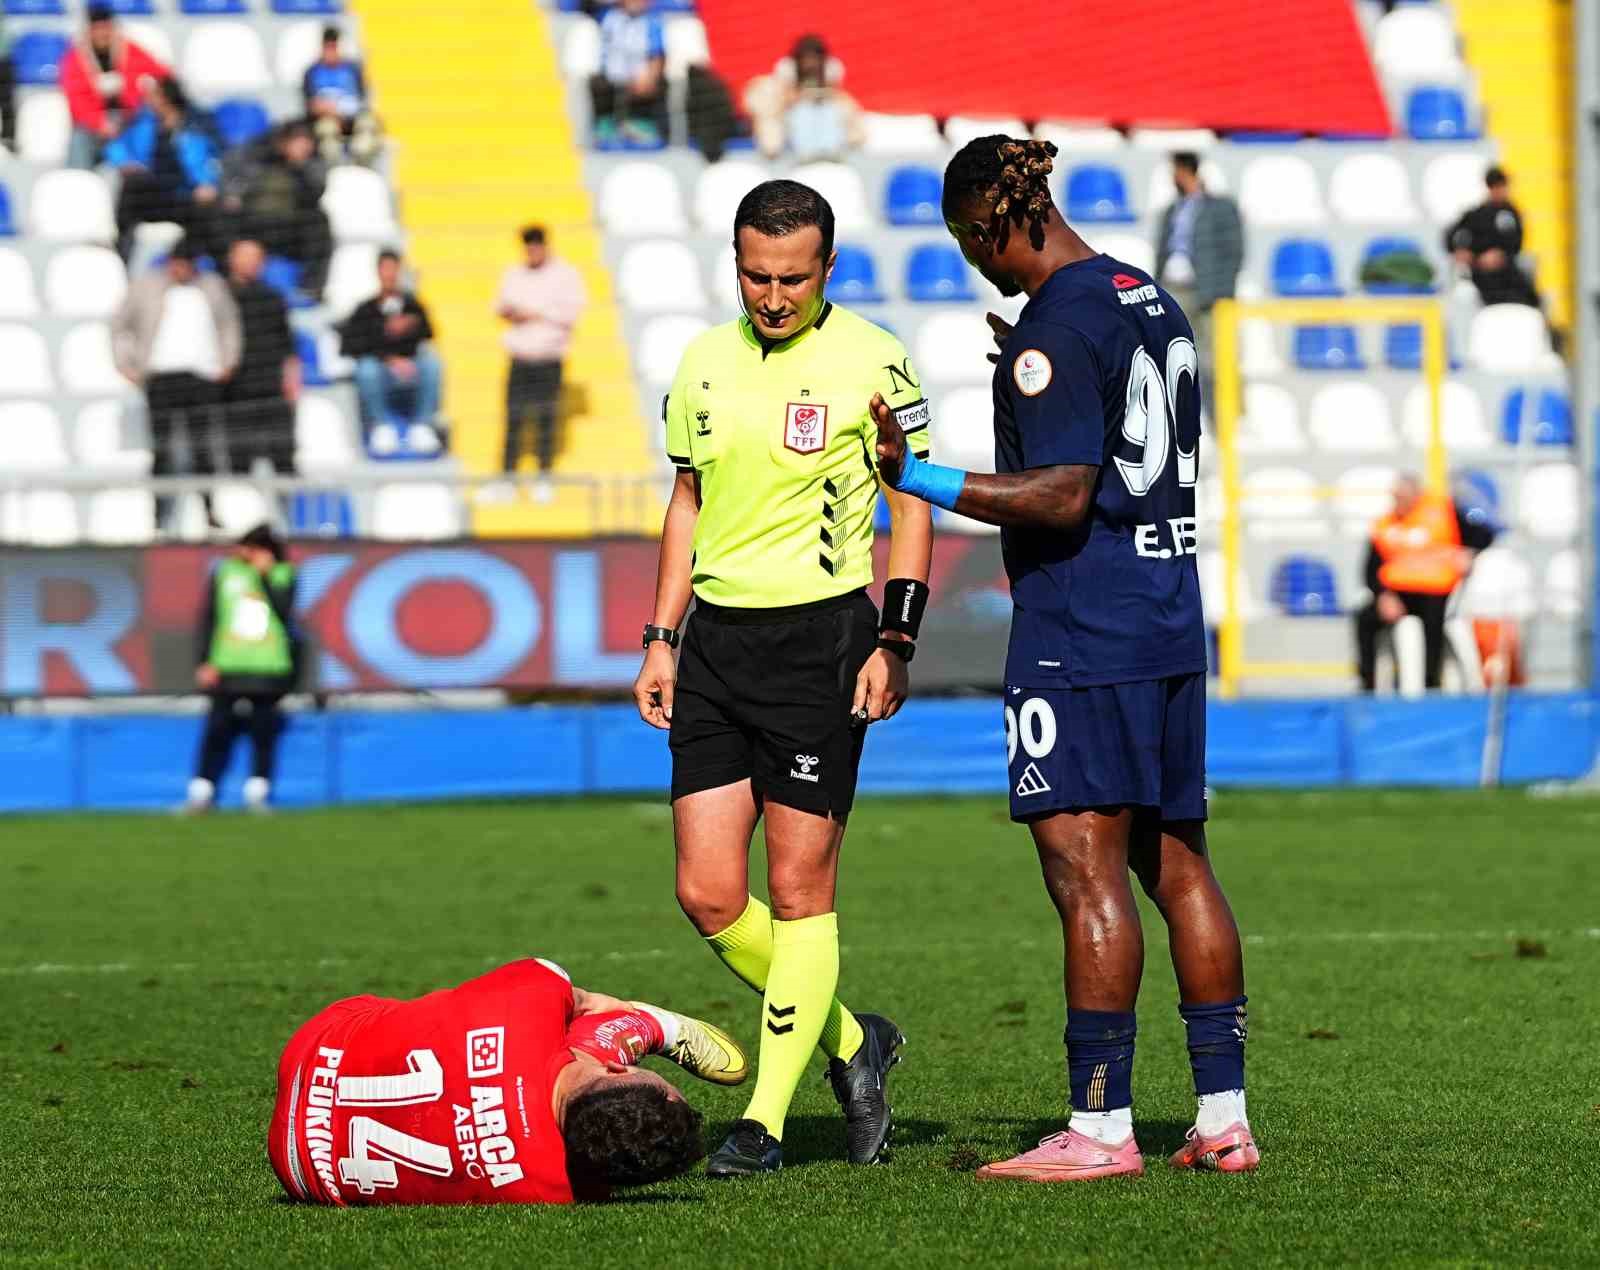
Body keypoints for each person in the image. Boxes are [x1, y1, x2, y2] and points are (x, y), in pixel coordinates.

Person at [873, 136, 1255, 1180]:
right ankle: (1223, 1119)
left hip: (1085, 629)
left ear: (1000, 219)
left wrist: (918, 474)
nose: (974, 262)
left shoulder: (1056, 325)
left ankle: (1098, 1129)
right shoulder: (1145, 295)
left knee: (1084, 870)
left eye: (970, 241)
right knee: (1179, 863)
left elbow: (1062, 495)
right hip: (1168, 615)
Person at [632, 179, 935, 1177]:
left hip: (822, 644)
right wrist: (661, 635)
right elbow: (687, 500)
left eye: (793, 279)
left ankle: (761, 1123)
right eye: (756, 276)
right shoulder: (700, 362)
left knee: (799, 890)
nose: (772, 296)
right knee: (706, 893)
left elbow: (911, 505)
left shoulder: (876, 360)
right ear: (736, 263)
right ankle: (853, 1041)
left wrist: (895, 641)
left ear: (828, 268)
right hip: (716, 646)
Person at [268, 957, 744, 1204]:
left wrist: (612, 1016)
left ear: (619, 1069)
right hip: (301, 1169)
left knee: (565, 1030)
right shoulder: (557, 1189)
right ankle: (648, 1029)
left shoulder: (533, 997)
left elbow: (584, 1003)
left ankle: (648, 1026)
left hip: (314, 1048)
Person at [112, 239, 241, 530]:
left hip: (202, 377)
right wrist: (126, 364)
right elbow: (120, 325)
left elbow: (229, 324)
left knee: (203, 448)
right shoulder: (146, 287)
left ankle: (209, 510)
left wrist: (228, 361)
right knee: (162, 450)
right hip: (161, 377)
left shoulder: (212, 288)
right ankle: (159, 516)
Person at [185, 526, 299, 814]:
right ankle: (202, 793)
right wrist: (204, 660)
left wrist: (265, 576)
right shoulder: (226, 572)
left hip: (268, 667)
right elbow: (210, 617)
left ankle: (258, 793)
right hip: (228, 664)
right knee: (217, 730)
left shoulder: (284, 574)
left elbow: (284, 612)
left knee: (263, 732)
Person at [1355, 473, 1495, 693]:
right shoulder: (1385, 524)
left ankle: (1431, 683)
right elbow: (1370, 569)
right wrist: (1383, 595)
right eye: (1395, 497)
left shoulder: (1445, 512)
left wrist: (1469, 553)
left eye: (1402, 497)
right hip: (1397, 594)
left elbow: (1484, 535)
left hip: (1437, 590)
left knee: (1434, 622)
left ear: (1416, 495)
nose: (1398, 502)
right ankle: (1368, 684)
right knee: (1364, 618)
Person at [493, 226, 586, 503]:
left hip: (549, 358)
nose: (532, 251)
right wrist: (524, 313)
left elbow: (572, 312)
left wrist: (533, 313)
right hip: (520, 357)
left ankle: (544, 477)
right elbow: (500, 306)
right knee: (514, 419)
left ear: (545, 246)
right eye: (528, 246)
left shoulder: (565, 274)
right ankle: (507, 479)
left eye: (536, 245)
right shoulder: (514, 273)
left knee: (546, 418)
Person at [1153, 151, 1243, 398]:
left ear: (1184, 171)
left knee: (1215, 358)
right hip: (1173, 289)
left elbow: (1234, 251)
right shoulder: (1172, 210)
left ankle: (1226, 414)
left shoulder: (1221, 207)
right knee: (1174, 356)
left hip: (1207, 291)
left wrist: (1221, 292)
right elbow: (1162, 251)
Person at [105, 77, 222, 263]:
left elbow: (210, 158)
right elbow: (117, 146)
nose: (148, 100)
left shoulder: (195, 125)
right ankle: (120, 253)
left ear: (166, 98)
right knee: (133, 185)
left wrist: (207, 183)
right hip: (154, 193)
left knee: (208, 211)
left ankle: (189, 261)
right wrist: (124, 162)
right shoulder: (144, 123)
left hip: (184, 195)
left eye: (154, 95)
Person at [340, 250, 443, 454]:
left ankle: (422, 425)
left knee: (432, 364)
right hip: (381, 370)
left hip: (410, 368)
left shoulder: (413, 306)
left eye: (393, 269)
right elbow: (350, 345)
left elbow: (430, 334)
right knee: (367, 369)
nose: (389, 274)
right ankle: (381, 426)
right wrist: (388, 357)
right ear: (378, 272)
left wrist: (412, 325)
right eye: (385, 269)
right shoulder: (366, 309)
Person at [226, 122, 333, 302]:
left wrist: (299, 167)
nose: (303, 146)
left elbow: (316, 193)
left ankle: (311, 288)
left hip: (289, 229)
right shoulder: (259, 156)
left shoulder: (313, 164)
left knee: (318, 221)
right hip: (252, 223)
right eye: (297, 140)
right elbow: (237, 179)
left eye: (307, 141)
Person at [223, 238, 300, 480]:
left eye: (256, 258)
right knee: (239, 460)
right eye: (245, 256)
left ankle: (286, 503)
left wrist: (292, 379)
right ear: (231, 259)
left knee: (284, 459)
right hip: (233, 388)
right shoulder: (220, 298)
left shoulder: (273, 298)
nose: (251, 263)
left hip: (271, 386)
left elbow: (288, 344)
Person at [60, 3, 170, 170]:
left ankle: (145, 173)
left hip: (129, 119)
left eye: (106, 28)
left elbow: (162, 74)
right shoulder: (75, 59)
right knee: (79, 139)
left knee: (148, 123)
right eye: (97, 29)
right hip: (94, 126)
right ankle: (79, 178)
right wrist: (100, 123)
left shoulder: (130, 51)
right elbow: (76, 100)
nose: (102, 34)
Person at [744, 34, 862, 162]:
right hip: (790, 112)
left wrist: (820, 94)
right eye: (806, 58)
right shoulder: (787, 68)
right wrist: (801, 96)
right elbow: (784, 100)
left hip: (823, 110)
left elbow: (837, 94)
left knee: (841, 109)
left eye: (814, 58)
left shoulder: (831, 67)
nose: (810, 63)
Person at [1446, 166, 1541, 309]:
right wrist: (1461, 252)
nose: (1500, 192)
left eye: (1502, 187)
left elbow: (1517, 242)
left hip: (1506, 269)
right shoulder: (1476, 214)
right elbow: (1451, 235)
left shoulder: (1511, 212)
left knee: (1524, 294)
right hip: (1479, 270)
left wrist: (1501, 255)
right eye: (1496, 187)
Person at [588, 0, 666, 147]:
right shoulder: (606, 17)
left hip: (638, 76)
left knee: (652, 85)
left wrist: (651, 77)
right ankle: (606, 127)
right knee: (597, 83)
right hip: (608, 76)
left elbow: (657, 54)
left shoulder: (652, 22)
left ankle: (639, 126)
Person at [301, 25, 379, 164]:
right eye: (328, 47)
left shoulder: (352, 70)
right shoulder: (312, 72)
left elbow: (362, 100)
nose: (331, 52)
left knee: (367, 125)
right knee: (327, 129)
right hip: (326, 119)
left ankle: (361, 163)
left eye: (334, 47)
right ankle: (332, 166)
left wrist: (345, 113)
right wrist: (326, 110)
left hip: (352, 117)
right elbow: (310, 104)